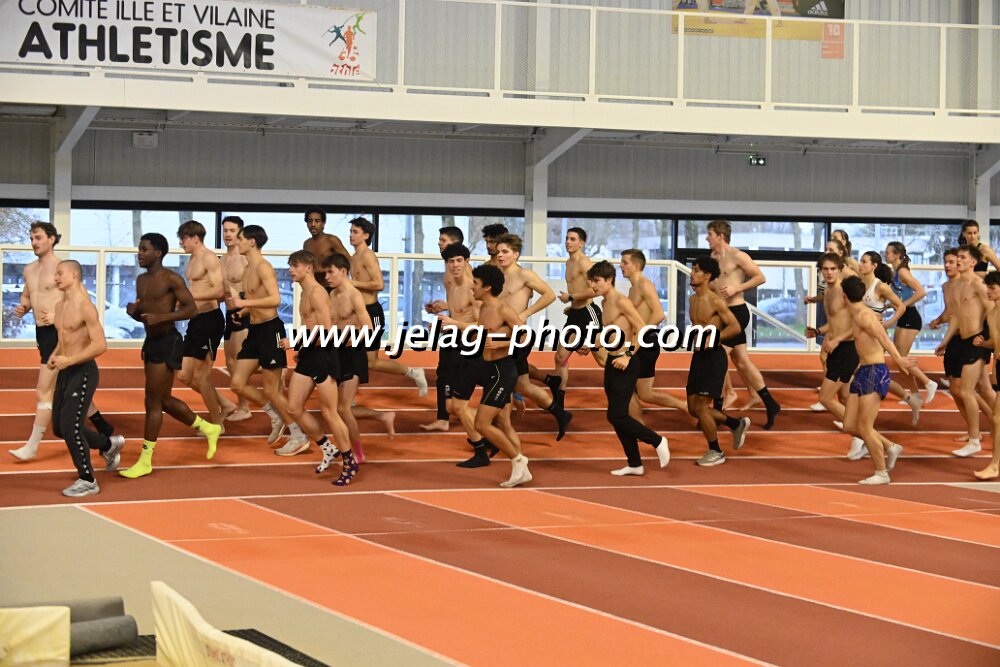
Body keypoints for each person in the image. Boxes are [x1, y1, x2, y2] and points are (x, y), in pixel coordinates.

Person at [119, 234, 222, 478]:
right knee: (162, 400)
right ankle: (208, 428)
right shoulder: (142, 280)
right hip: (152, 342)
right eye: (139, 249)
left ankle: (145, 461)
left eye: (144, 249)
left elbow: (191, 309)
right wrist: (135, 313)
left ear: (157, 253)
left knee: (153, 403)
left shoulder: (171, 278)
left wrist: (162, 318)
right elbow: (147, 315)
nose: (139, 253)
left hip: (168, 341)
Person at [10, 222, 114, 461]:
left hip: (60, 333)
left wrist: (58, 315)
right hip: (42, 333)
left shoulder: (62, 269)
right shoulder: (29, 270)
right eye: (31, 238)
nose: (34, 242)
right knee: (68, 384)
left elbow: (81, 299)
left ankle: (32, 446)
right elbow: (28, 295)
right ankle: (103, 428)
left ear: (51, 239)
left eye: (38, 238)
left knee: (44, 390)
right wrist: (24, 307)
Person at [440, 264, 532, 487]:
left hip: (503, 371)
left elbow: (526, 336)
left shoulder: (502, 309)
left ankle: (519, 461)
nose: (472, 287)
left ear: (487, 287)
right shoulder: (483, 308)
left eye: (476, 283)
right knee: (489, 421)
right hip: (488, 369)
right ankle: (519, 463)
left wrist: (503, 343)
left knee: (482, 424)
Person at [226, 225, 308, 454]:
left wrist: (243, 303)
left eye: (240, 238)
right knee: (237, 383)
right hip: (254, 330)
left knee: (272, 390)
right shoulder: (247, 269)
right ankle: (275, 416)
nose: (236, 241)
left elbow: (275, 299)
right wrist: (243, 312)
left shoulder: (263, 266)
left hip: (270, 330)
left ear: (252, 241)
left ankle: (299, 436)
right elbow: (257, 298)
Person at [48, 260, 125, 497]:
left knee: (71, 427)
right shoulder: (60, 306)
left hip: (83, 372)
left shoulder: (85, 307)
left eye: (60, 273)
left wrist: (70, 360)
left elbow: (100, 345)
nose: (56, 278)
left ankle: (88, 479)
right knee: (59, 428)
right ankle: (108, 445)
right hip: (66, 371)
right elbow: (64, 338)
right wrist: (54, 355)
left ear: (74, 275)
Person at [585, 261, 670, 476]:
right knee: (618, 415)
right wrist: (591, 345)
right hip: (613, 362)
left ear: (609, 280)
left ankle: (657, 440)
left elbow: (642, 329)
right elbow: (610, 332)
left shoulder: (622, 301)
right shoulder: (605, 302)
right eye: (591, 281)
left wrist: (628, 355)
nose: (592, 286)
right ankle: (634, 463)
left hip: (627, 362)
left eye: (596, 281)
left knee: (616, 415)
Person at [285, 251, 357, 483]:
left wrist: (296, 341)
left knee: (330, 413)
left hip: (324, 355)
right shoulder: (304, 292)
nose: (291, 270)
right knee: (293, 407)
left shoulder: (316, 293)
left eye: (295, 265)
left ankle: (349, 462)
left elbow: (326, 331)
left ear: (308, 268)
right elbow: (312, 326)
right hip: (310, 352)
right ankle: (327, 447)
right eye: (290, 265)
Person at [428, 243, 501, 468]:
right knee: (453, 406)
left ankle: (488, 438)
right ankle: (488, 437)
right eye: (451, 262)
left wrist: (454, 323)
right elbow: (458, 312)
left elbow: (482, 325)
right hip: (457, 344)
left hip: (474, 349)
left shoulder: (473, 288)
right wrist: (443, 313)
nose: (455, 265)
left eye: (459, 261)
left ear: (467, 262)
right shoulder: (450, 282)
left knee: (458, 406)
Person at [495, 234, 573, 439]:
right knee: (522, 385)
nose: (500, 255)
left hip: (518, 337)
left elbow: (549, 294)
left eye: (505, 252)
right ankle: (561, 414)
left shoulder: (524, 275)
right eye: (499, 251)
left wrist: (526, 313)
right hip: (501, 336)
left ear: (515, 254)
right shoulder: (497, 276)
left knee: (504, 381)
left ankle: (500, 429)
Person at [840, 275, 915, 485]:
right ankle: (891, 446)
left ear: (843, 296)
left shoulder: (864, 315)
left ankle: (881, 473)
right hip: (863, 371)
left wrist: (898, 359)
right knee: (849, 425)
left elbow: (882, 337)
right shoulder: (857, 314)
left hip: (874, 371)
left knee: (865, 427)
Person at [706, 220, 781, 427]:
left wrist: (737, 288)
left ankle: (718, 409)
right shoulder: (713, 258)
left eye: (710, 234)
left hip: (736, 313)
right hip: (721, 313)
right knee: (742, 362)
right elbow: (714, 285)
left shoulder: (738, 256)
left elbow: (760, 277)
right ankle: (770, 403)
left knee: (717, 357)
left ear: (720, 236)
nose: (707, 238)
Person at [347, 216, 428, 394]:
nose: (351, 235)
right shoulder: (353, 257)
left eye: (355, 232)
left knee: (372, 362)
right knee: (351, 354)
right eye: (351, 231)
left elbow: (379, 284)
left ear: (366, 235)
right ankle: (349, 396)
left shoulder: (368, 256)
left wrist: (352, 283)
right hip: (358, 313)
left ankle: (413, 372)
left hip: (371, 313)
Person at [687, 257, 752, 467]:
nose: (691, 273)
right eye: (692, 269)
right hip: (698, 357)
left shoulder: (716, 301)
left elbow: (735, 327)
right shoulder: (692, 300)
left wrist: (715, 338)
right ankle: (735, 424)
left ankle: (716, 451)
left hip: (714, 358)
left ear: (707, 276)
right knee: (693, 408)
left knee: (702, 407)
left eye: (696, 270)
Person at [619, 249, 691, 422]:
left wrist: (641, 333)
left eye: (625, 262)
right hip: (639, 341)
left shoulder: (644, 285)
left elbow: (659, 314)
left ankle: (639, 425)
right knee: (643, 393)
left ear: (636, 265)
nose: (621, 266)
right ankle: (684, 407)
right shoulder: (633, 288)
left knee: (633, 389)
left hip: (646, 342)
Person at [806, 253, 866, 459]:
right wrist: (818, 332)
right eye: (825, 269)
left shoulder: (844, 291)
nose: (829, 273)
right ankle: (859, 439)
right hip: (837, 348)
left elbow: (858, 322)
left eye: (833, 269)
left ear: (840, 269)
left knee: (825, 398)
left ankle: (864, 435)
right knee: (845, 396)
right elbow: (835, 322)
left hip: (848, 349)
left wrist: (838, 339)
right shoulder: (828, 291)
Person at [176, 221, 233, 429]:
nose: (181, 243)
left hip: (210, 320)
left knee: (202, 377)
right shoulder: (192, 259)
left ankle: (217, 424)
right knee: (184, 376)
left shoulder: (209, 258)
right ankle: (226, 404)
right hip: (196, 320)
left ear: (195, 238)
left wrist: (191, 297)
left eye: (183, 239)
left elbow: (219, 291)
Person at [855, 250, 922, 425]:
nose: (860, 264)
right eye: (860, 261)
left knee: (865, 372)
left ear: (874, 266)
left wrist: (888, 323)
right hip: (861, 334)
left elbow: (900, 306)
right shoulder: (859, 283)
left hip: (875, 336)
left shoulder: (881, 286)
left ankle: (861, 422)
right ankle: (910, 399)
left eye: (864, 261)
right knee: (867, 374)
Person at [941, 245, 993, 458]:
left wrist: (990, 339)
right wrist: (945, 341)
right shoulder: (955, 286)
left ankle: (974, 440)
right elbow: (955, 317)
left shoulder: (978, 284)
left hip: (977, 340)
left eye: (962, 257)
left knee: (967, 391)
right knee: (967, 389)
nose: (958, 260)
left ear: (973, 262)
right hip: (960, 341)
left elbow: (993, 310)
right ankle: (987, 428)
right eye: (958, 257)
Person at [421, 226, 468, 432]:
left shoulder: (466, 273)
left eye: (443, 240)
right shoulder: (449, 269)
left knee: (462, 377)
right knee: (444, 373)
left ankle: (494, 412)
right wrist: (442, 308)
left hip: (466, 332)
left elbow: (472, 304)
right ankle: (443, 418)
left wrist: (452, 321)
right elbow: (457, 302)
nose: (439, 244)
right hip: (453, 328)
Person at [885, 242, 937, 403]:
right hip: (904, 316)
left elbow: (921, 291)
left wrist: (903, 305)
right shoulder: (895, 272)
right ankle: (915, 394)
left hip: (910, 317)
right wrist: (891, 305)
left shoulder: (902, 271)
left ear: (897, 255)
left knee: (901, 358)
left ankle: (929, 382)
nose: (885, 255)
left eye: (888, 252)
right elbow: (901, 296)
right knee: (900, 361)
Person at [554, 228, 603, 393]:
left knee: (602, 360)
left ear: (581, 243)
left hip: (589, 314)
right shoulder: (568, 263)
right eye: (567, 238)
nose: (568, 242)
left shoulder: (584, 263)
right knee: (560, 357)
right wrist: (572, 305)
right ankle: (559, 397)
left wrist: (571, 297)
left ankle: (629, 377)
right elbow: (578, 288)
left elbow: (596, 289)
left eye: (572, 239)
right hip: (575, 314)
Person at [220, 216, 252, 422]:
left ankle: (245, 407)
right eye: (225, 230)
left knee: (240, 362)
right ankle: (243, 405)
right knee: (230, 362)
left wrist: (244, 305)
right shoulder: (222, 260)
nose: (228, 234)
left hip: (245, 312)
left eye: (232, 231)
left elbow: (255, 289)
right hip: (229, 314)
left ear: (240, 233)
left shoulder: (244, 258)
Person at [973, 271, 1000, 480]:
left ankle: (995, 464)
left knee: (997, 418)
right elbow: (995, 343)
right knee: (997, 418)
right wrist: (984, 344)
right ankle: (995, 464)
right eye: (987, 288)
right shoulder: (992, 313)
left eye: (992, 288)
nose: (988, 292)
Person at [303, 208, 350, 290]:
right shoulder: (307, 244)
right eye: (310, 221)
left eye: (317, 221)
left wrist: (327, 268)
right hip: (314, 287)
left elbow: (348, 260)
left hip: (332, 287)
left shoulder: (331, 240)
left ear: (323, 223)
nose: (313, 224)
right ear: (307, 223)